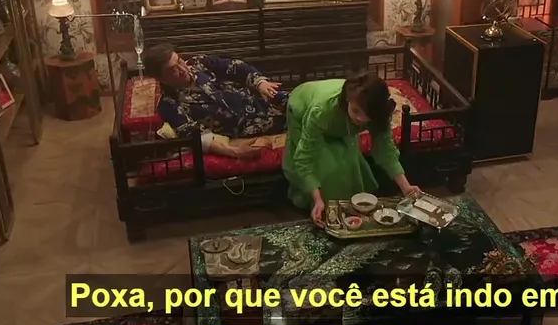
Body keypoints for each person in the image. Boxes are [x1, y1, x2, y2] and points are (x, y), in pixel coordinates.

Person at [282, 73, 419, 228]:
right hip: (304, 109)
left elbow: (386, 149)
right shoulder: (321, 110)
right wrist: (318, 200)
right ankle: (322, 209)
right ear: (347, 99)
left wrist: (406, 187)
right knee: (326, 167)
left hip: (339, 117)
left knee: (348, 162)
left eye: (366, 116)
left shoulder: (378, 112)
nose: (360, 119)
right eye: (356, 111)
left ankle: (345, 211)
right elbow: (305, 157)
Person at [140, 43, 287, 160]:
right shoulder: (170, 104)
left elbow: (235, 66)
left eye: (180, 61)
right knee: (296, 119)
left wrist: (260, 83)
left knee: (295, 100)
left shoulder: (199, 63)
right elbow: (196, 137)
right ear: (161, 78)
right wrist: (234, 152)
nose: (183, 69)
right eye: (173, 70)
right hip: (248, 128)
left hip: (259, 101)